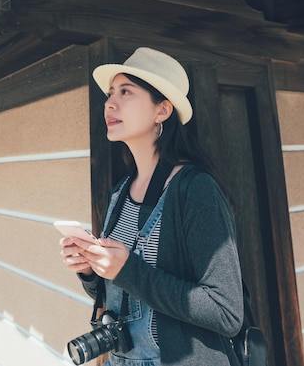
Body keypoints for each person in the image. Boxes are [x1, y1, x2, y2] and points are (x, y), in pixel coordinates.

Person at [60, 47, 243, 365]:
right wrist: (91, 270)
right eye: (110, 93)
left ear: (162, 110)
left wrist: (128, 269)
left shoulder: (195, 189)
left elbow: (226, 312)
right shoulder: (120, 193)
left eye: (126, 91)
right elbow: (120, 297)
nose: (110, 103)